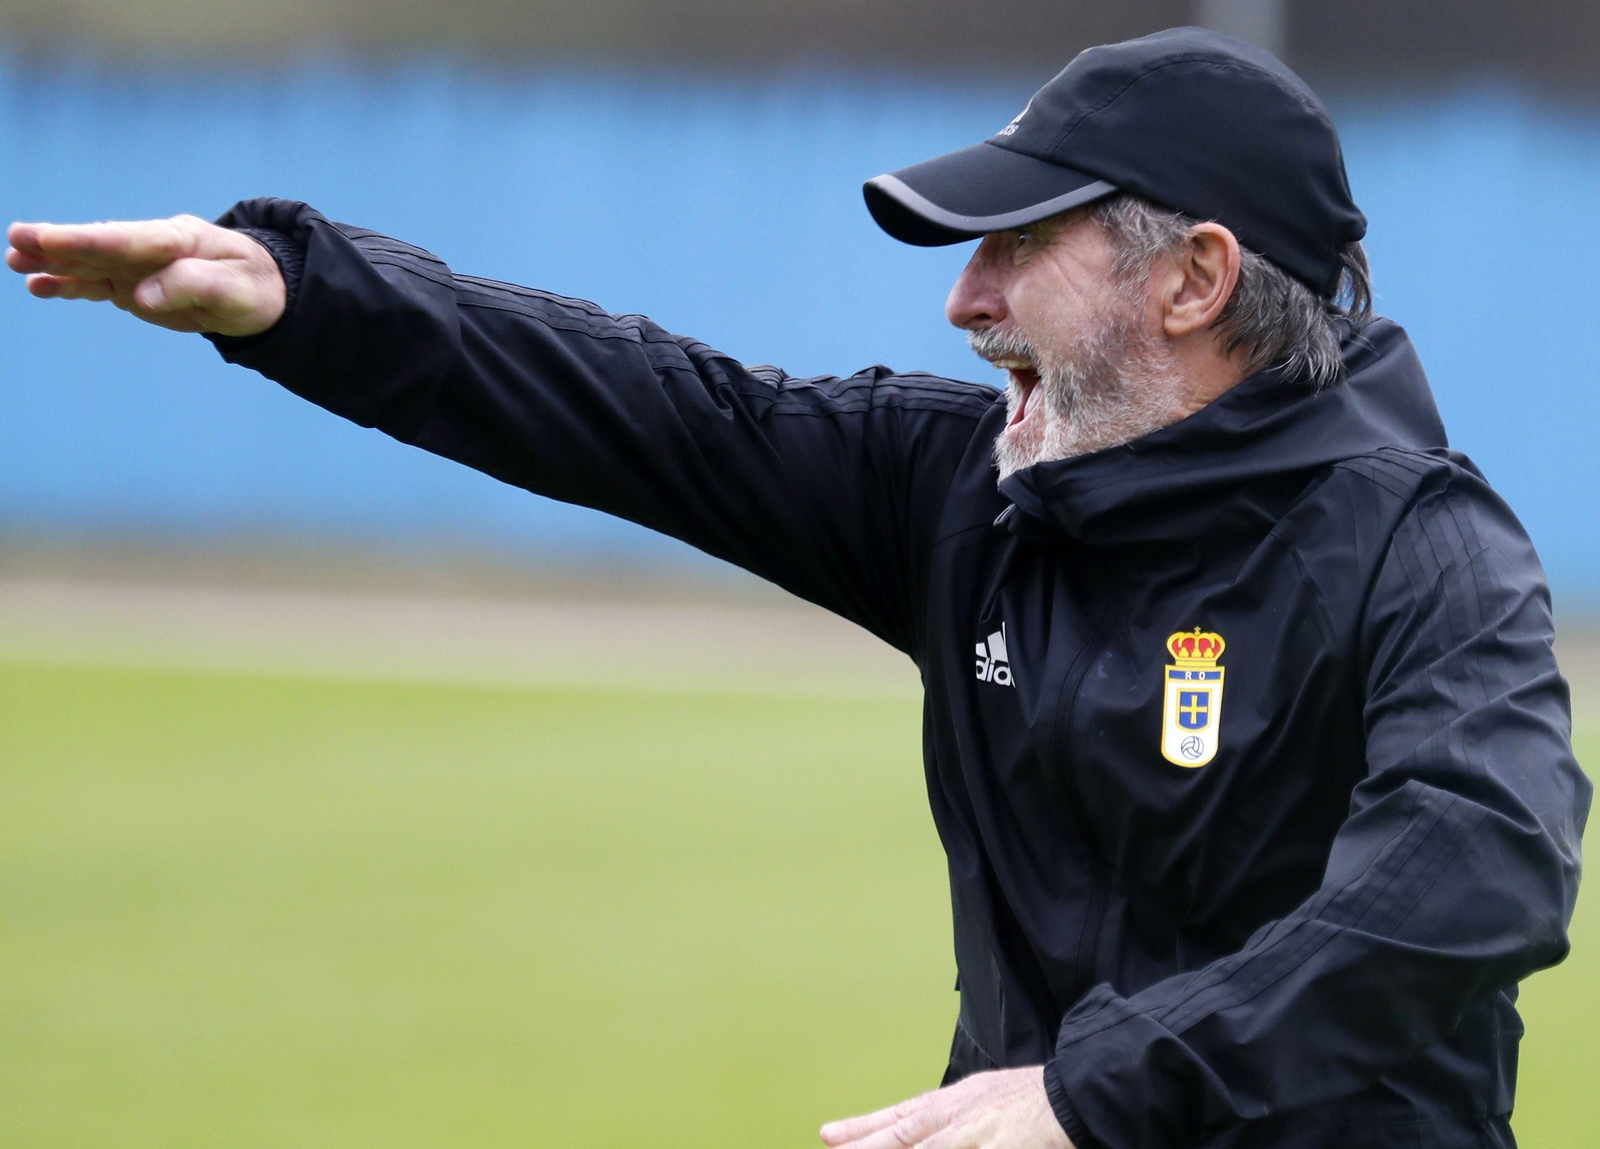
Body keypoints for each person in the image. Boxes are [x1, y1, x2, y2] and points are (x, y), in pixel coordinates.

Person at [6, 25, 1588, 1149]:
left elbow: (1478, 871)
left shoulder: (1424, 548)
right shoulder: (964, 489)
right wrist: (304, 296)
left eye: (1016, 247)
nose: (962, 298)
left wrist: (1088, 1093)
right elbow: (660, 409)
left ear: (1195, 279)